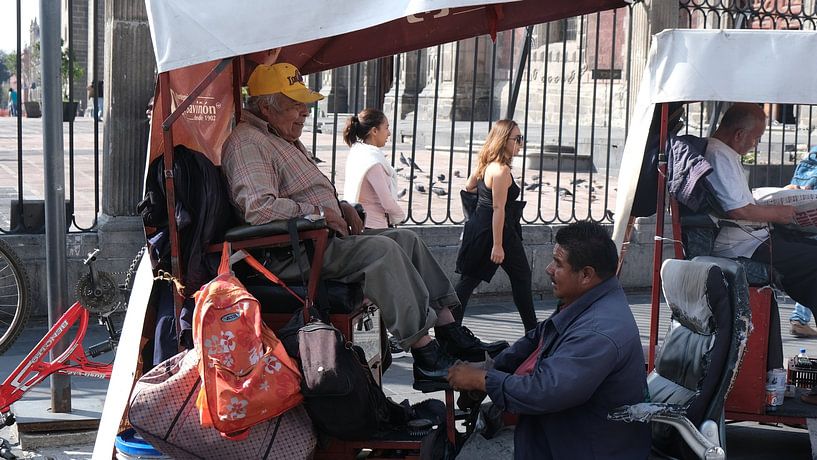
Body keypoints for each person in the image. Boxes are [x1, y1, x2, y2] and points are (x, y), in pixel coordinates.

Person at [221, 62, 507, 391]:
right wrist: (318, 213)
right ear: (265, 106)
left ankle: (449, 331)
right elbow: (259, 209)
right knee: (381, 250)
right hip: (290, 253)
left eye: (304, 105)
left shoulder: (277, 136)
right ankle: (425, 354)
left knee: (406, 239)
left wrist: (338, 207)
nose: (304, 113)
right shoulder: (248, 143)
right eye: (294, 105)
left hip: (317, 239)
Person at [447, 221, 651, 459]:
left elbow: (544, 391)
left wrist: (485, 380)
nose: (549, 269)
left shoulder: (598, 331)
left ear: (586, 274)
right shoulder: (587, 301)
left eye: (558, 264)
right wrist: (492, 366)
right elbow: (538, 336)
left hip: (587, 447)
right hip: (561, 431)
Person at [705, 102, 817, 373]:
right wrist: (780, 213)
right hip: (745, 243)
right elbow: (738, 209)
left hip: (752, 236)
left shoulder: (723, 153)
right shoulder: (719, 155)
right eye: (756, 138)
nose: (755, 144)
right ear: (739, 134)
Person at [454, 119, 537, 332]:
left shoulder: (486, 164)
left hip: (481, 227)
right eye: (517, 139)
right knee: (519, 277)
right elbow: (499, 209)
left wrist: (484, 198)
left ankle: (449, 332)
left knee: (468, 281)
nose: (521, 143)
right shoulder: (500, 171)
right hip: (498, 232)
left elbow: (469, 186)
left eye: (521, 138)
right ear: (503, 140)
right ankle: (533, 332)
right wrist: (498, 245)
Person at [342, 108, 405, 229]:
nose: (389, 133)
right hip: (373, 227)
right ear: (374, 131)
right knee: (410, 238)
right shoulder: (372, 161)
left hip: (362, 223)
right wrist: (401, 217)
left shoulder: (358, 152)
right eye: (386, 128)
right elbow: (387, 202)